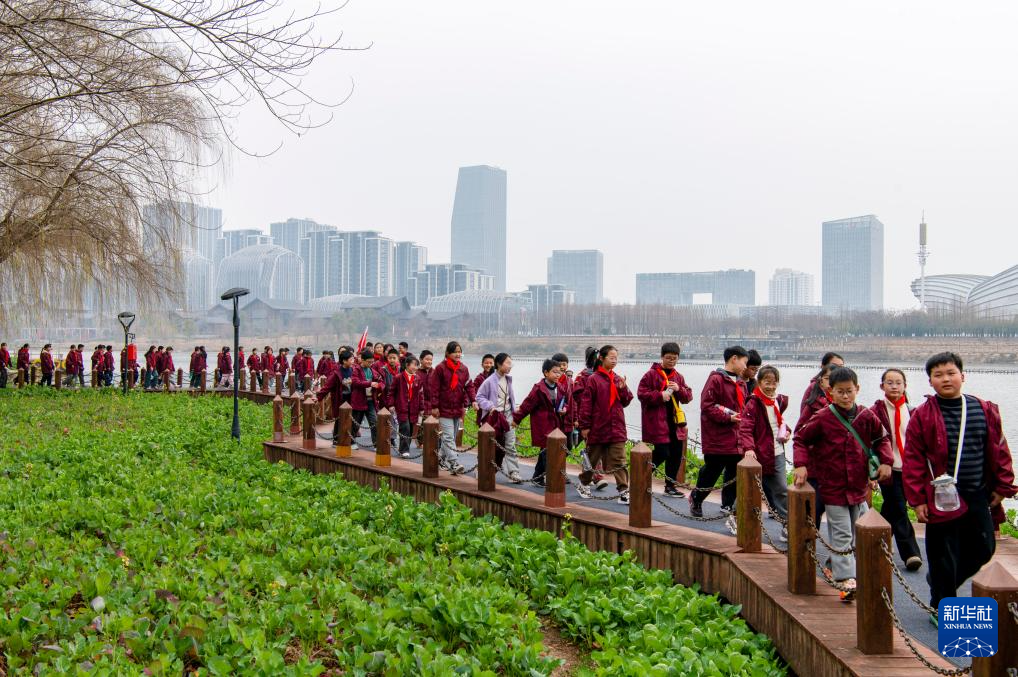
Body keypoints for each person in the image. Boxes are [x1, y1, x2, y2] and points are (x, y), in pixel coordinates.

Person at [903, 352, 1017, 620]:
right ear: (930, 381)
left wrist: (1003, 486)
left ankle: (941, 581)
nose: (946, 379)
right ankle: (941, 605)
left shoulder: (983, 409)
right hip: (940, 495)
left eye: (951, 373)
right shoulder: (923, 415)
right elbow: (913, 459)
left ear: (962, 376)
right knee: (942, 554)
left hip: (977, 492)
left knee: (984, 547)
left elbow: (1000, 449)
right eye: (938, 375)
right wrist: (918, 500)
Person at [793, 367, 892, 601]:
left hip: (859, 487)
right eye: (840, 392)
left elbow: (882, 438)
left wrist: (886, 461)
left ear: (857, 389)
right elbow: (800, 438)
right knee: (842, 534)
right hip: (833, 487)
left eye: (849, 391)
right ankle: (847, 580)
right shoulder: (823, 417)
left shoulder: (867, 415)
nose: (845, 396)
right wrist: (801, 464)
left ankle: (836, 564)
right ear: (831, 392)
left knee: (860, 532)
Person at [690, 346, 750, 531]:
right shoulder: (716, 379)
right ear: (734, 359)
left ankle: (728, 505)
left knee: (733, 473)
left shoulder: (741, 383)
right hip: (717, 436)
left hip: (736, 436)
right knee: (712, 471)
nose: (745, 367)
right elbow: (707, 406)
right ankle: (697, 498)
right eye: (744, 362)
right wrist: (727, 418)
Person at [868, 368, 922, 572]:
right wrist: (870, 473)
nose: (894, 386)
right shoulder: (875, 411)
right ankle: (911, 554)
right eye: (889, 383)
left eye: (898, 383)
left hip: (908, 468)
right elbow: (869, 442)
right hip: (887, 468)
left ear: (905, 386)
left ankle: (876, 543)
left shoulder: (913, 411)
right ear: (882, 386)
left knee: (891, 508)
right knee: (899, 507)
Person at [739, 365, 790, 539]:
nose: (771, 386)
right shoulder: (754, 403)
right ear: (759, 382)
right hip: (759, 453)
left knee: (782, 489)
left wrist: (787, 432)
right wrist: (749, 448)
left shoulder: (777, 400)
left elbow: (778, 423)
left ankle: (787, 524)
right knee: (750, 487)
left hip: (777, 451)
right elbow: (745, 428)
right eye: (767, 382)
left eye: (774, 382)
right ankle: (736, 515)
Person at [577, 345, 633, 505]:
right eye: (611, 358)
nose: (614, 361)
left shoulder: (617, 378)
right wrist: (585, 426)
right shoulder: (593, 379)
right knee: (592, 459)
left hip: (617, 427)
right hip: (598, 427)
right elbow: (586, 404)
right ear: (601, 358)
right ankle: (584, 483)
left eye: (616, 358)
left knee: (619, 460)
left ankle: (623, 491)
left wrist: (623, 389)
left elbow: (626, 401)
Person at [638, 342, 694, 497]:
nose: (671, 361)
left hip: (675, 423)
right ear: (662, 357)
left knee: (676, 454)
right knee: (662, 453)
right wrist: (659, 395)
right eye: (668, 358)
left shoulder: (678, 376)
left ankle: (670, 486)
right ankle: (640, 477)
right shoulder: (651, 375)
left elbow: (688, 397)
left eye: (674, 358)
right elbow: (641, 394)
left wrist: (679, 389)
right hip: (657, 422)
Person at [515, 359, 570, 486]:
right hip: (543, 424)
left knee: (546, 451)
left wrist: (565, 409)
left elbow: (565, 401)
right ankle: (553, 478)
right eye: (554, 372)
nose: (558, 375)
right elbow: (527, 405)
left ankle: (537, 478)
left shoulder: (560, 387)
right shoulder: (539, 389)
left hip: (555, 424)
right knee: (548, 451)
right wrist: (516, 419)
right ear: (546, 373)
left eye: (559, 372)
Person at [796, 363, 835, 526]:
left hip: (837, 470)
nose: (831, 383)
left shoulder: (853, 409)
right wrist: (800, 464)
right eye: (828, 378)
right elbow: (800, 435)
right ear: (821, 381)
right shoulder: (814, 405)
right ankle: (806, 540)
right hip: (816, 466)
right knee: (814, 510)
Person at [429, 341, 476, 474]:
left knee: (450, 437)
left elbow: (469, 386)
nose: (458, 354)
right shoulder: (440, 368)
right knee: (448, 437)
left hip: (457, 408)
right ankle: (454, 463)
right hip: (444, 409)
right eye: (455, 351)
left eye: (459, 351)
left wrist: (473, 400)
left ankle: (440, 459)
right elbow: (434, 388)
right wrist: (434, 406)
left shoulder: (463, 369)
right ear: (448, 353)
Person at [475, 352, 522, 483]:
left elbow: (509, 398)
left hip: (508, 416)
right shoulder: (489, 381)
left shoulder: (508, 379)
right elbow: (479, 397)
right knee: (492, 444)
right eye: (508, 363)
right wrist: (490, 406)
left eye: (511, 363)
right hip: (495, 417)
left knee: (510, 444)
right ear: (499, 364)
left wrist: (515, 410)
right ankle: (481, 468)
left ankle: (514, 472)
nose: (510, 366)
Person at [573, 346, 609, 490]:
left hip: (601, 419)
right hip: (587, 419)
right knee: (592, 448)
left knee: (595, 449)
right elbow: (578, 399)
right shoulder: (582, 377)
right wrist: (580, 418)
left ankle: (590, 476)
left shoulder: (604, 375)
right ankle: (596, 477)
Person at [316, 349, 358, 448]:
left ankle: (350, 441)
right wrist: (319, 397)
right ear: (344, 361)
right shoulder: (337, 373)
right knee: (339, 420)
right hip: (340, 399)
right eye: (351, 359)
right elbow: (327, 386)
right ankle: (336, 440)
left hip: (351, 399)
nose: (353, 361)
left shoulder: (354, 370)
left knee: (352, 420)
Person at [392, 356, 425, 458]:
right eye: (414, 365)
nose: (415, 367)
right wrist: (391, 405)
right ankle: (404, 450)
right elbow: (392, 392)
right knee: (405, 427)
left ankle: (404, 448)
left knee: (410, 429)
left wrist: (421, 408)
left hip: (413, 407)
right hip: (402, 406)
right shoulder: (398, 377)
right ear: (407, 365)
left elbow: (421, 394)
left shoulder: (417, 378)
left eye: (417, 365)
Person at [351, 348, 382, 447]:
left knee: (375, 422)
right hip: (359, 400)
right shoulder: (356, 370)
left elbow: (381, 381)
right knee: (356, 423)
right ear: (362, 360)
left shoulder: (373, 371)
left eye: (372, 362)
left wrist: (379, 385)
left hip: (371, 400)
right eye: (369, 362)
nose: (371, 364)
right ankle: (351, 442)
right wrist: (369, 383)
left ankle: (376, 444)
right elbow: (355, 382)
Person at [551, 353, 576, 451]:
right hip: (554, 419)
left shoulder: (570, 381)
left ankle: (558, 461)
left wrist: (576, 419)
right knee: (550, 445)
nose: (562, 367)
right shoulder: (550, 380)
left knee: (568, 446)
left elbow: (573, 401)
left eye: (564, 364)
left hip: (567, 419)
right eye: (559, 364)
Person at [471, 354, 496, 426]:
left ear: (495, 365)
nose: (488, 365)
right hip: (483, 410)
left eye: (491, 363)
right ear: (482, 365)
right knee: (483, 429)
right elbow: (474, 392)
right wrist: (474, 402)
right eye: (486, 363)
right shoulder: (479, 378)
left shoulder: (498, 377)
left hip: (495, 409)